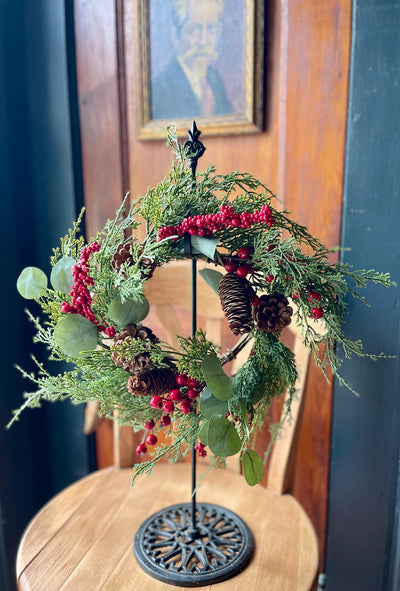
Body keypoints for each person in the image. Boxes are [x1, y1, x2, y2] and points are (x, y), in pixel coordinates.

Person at [151, 0, 232, 120]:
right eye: (194, 30)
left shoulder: (215, 80)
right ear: (175, 36)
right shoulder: (160, 89)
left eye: (211, 28)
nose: (203, 42)